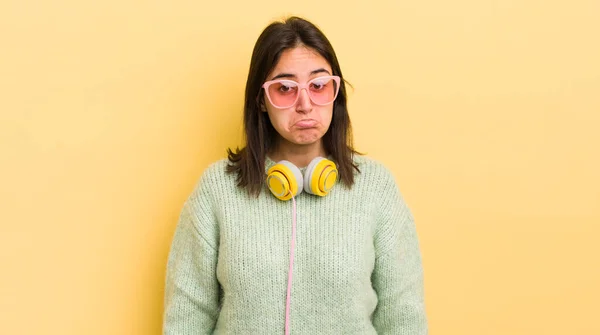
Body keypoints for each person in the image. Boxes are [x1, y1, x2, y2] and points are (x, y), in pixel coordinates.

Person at [163, 16, 427, 334]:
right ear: (262, 99)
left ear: (335, 92)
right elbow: (187, 316)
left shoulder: (377, 188)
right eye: (286, 88)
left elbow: (403, 317)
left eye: (318, 85)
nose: (305, 104)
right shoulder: (216, 190)